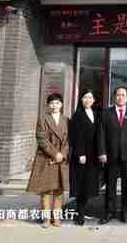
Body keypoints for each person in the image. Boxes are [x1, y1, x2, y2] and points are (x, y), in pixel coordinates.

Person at [26, 93, 69, 228]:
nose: (54, 105)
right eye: (52, 103)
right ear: (48, 105)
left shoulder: (66, 120)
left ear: (61, 104)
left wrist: (62, 154)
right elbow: (41, 138)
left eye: (57, 103)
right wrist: (54, 154)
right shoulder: (43, 119)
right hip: (46, 157)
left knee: (58, 190)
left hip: (61, 159)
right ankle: (46, 219)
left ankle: (56, 218)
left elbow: (69, 141)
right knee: (46, 190)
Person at [97, 86, 127, 224]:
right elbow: (101, 134)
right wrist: (102, 152)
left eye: (123, 95)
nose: (120, 97)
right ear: (114, 97)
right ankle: (109, 211)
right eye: (118, 95)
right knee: (110, 186)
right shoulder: (106, 113)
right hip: (110, 155)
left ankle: (126, 212)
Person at [69, 89, 101, 226]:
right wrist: (80, 153)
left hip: (93, 155)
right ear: (81, 100)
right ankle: (79, 214)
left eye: (90, 97)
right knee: (81, 185)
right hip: (82, 155)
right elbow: (76, 136)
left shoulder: (95, 114)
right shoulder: (78, 115)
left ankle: (83, 210)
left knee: (88, 185)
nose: (87, 100)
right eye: (85, 97)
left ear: (94, 100)